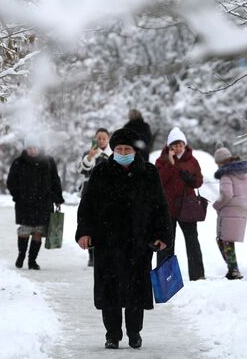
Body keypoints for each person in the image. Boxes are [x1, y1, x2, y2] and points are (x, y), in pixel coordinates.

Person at [75, 128, 172, 350]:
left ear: (135, 150)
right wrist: (84, 232)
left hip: (139, 242)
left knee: (135, 290)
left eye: (127, 149)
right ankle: (112, 334)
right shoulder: (101, 172)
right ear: (113, 149)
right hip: (108, 242)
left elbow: (160, 206)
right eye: (119, 149)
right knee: (110, 291)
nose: (123, 152)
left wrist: (162, 234)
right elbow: (87, 206)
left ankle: (134, 332)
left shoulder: (148, 172)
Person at [7, 134, 64, 270]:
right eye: (29, 148)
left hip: (43, 202)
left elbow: (55, 181)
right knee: (24, 229)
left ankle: (32, 260)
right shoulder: (19, 162)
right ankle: (21, 255)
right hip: (24, 203)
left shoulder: (48, 161)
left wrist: (57, 199)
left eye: (35, 147)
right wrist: (17, 196)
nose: (32, 150)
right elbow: (11, 182)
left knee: (39, 230)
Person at [154, 127, 205, 281]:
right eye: (174, 145)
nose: (178, 148)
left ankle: (198, 275)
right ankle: (165, 276)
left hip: (187, 207)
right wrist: (170, 164)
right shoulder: (161, 160)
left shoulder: (192, 160)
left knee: (192, 241)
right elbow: (158, 181)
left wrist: (191, 180)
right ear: (169, 147)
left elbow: (199, 181)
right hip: (167, 208)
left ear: (185, 144)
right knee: (167, 242)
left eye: (180, 144)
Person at [212, 147, 247, 280]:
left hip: (228, 211)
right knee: (227, 240)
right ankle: (233, 269)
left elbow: (226, 194)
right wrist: (242, 202)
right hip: (241, 210)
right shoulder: (245, 174)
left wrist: (216, 205)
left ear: (220, 162)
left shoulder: (226, 174)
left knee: (223, 240)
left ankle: (233, 270)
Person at [77, 128, 112, 267]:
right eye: (99, 138)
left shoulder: (112, 154)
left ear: (108, 139)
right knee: (90, 224)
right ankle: (91, 255)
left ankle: (104, 253)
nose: (101, 141)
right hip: (90, 194)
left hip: (107, 195)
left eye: (104, 138)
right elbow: (81, 170)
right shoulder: (89, 153)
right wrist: (90, 157)